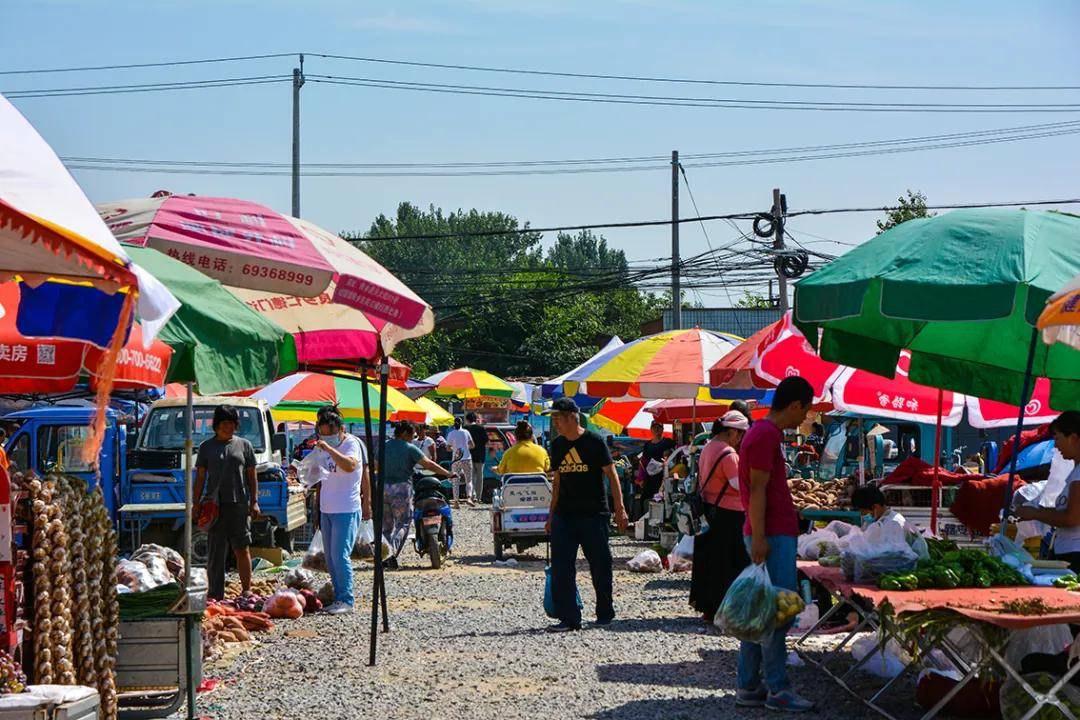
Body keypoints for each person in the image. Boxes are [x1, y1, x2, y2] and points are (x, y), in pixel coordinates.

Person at [735, 376, 815, 712]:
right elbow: (757, 490)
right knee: (775, 614)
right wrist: (761, 537)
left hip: (767, 531)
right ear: (795, 405)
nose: (805, 418)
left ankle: (749, 685)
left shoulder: (763, 433)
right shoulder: (766, 434)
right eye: (806, 410)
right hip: (771, 534)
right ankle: (777, 689)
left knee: (760, 611)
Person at [544, 398, 629, 632]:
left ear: (573, 416)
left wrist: (619, 508)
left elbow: (612, 476)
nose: (556, 423)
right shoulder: (558, 445)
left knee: (600, 565)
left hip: (594, 514)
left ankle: (604, 612)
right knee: (562, 567)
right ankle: (569, 617)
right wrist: (551, 516)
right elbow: (558, 482)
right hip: (565, 515)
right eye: (553, 419)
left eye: (558, 418)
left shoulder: (595, 442)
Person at [306, 407, 371, 614]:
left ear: (341, 430)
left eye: (330, 434)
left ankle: (347, 600)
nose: (326, 438)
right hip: (327, 508)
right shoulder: (323, 447)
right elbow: (320, 477)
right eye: (322, 434)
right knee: (331, 558)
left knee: (340, 555)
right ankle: (337, 595)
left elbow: (350, 466)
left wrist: (329, 449)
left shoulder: (351, 443)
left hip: (346, 507)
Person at [689, 411, 750, 624]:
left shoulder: (707, 447)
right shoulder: (728, 453)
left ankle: (710, 608)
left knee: (712, 563)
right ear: (732, 431)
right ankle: (729, 610)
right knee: (730, 564)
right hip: (729, 515)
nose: (741, 438)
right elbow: (738, 485)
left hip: (709, 510)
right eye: (740, 434)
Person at [193, 405, 258, 601]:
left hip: (238, 504)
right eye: (225, 423)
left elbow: (252, 477)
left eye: (232, 423)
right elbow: (200, 478)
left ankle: (246, 590)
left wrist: (254, 502)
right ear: (216, 425)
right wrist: (195, 504)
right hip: (214, 507)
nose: (229, 427)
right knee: (215, 552)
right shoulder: (206, 447)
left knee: (242, 548)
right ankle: (215, 595)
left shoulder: (244, 445)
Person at [380, 421, 456, 569]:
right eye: (411, 435)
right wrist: (448, 473)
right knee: (403, 523)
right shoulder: (409, 448)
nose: (412, 438)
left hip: (383, 489)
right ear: (404, 434)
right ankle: (390, 553)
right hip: (401, 489)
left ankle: (383, 555)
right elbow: (429, 464)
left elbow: (375, 465)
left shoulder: (384, 446)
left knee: (386, 526)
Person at [1015, 411, 1080, 572]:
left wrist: (1035, 514)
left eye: (1057, 438)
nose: (1056, 446)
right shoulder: (1075, 471)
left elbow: (1071, 518)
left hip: (1075, 555)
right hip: (1068, 551)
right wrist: (1035, 511)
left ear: (1073, 438)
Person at [637, 422, 674, 519]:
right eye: (654, 427)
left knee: (661, 499)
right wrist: (640, 478)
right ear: (651, 429)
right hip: (649, 477)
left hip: (663, 476)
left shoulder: (668, 442)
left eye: (659, 427)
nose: (657, 429)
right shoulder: (647, 445)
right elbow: (643, 462)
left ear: (663, 429)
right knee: (644, 499)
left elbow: (672, 456)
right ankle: (645, 520)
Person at [446, 418, 475, 508]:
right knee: (469, 479)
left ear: (454, 424)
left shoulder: (451, 434)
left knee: (455, 481)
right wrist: (465, 448)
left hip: (456, 459)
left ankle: (456, 502)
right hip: (467, 458)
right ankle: (469, 498)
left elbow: (447, 448)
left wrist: (454, 449)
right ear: (462, 423)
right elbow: (472, 445)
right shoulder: (466, 432)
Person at [464, 413, 489, 503]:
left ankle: (471, 495)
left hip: (468, 456)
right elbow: (486, 442)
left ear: (467, 419)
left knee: (470, 477)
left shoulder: (465, 429)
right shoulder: (481, 428)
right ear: (475, 419)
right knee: (479, 477)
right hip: (480, 456)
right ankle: (478, 497)